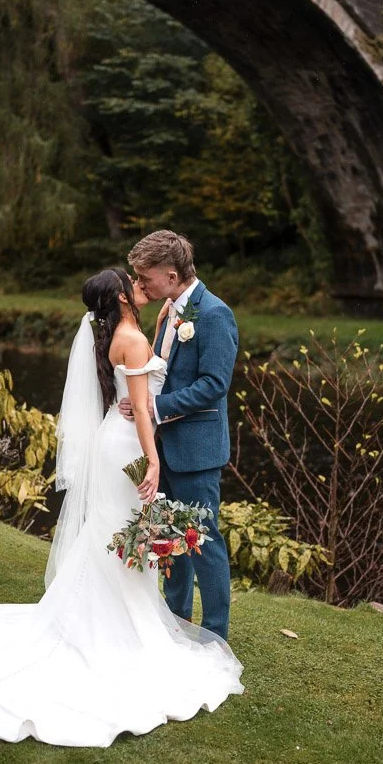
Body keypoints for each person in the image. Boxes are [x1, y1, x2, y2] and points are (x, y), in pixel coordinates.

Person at [0, 268, 243, 747]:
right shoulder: (134, 337)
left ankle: (132, 622)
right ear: (120, 295)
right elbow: (140, 406)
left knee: (119, 534)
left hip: (122, 443)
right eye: (131, 278)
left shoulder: (141, 326)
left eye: (143, 274)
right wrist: (153, 459)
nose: (139, 281)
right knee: (124, 535)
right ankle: (126, 630)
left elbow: (157, 392)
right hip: (134, 448)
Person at [124, 231, 238, 641]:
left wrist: (156, 408)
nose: (141, 284)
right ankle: (175, 623)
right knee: (169, 537)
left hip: (197, 450)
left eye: (146, 277)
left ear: (171, 275)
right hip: (164, 447)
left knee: (203, 543)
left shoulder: (213, 314)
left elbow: (214, 383)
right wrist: (138, 401)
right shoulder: (171, 309)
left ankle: (215, 635)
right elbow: (162, 370)